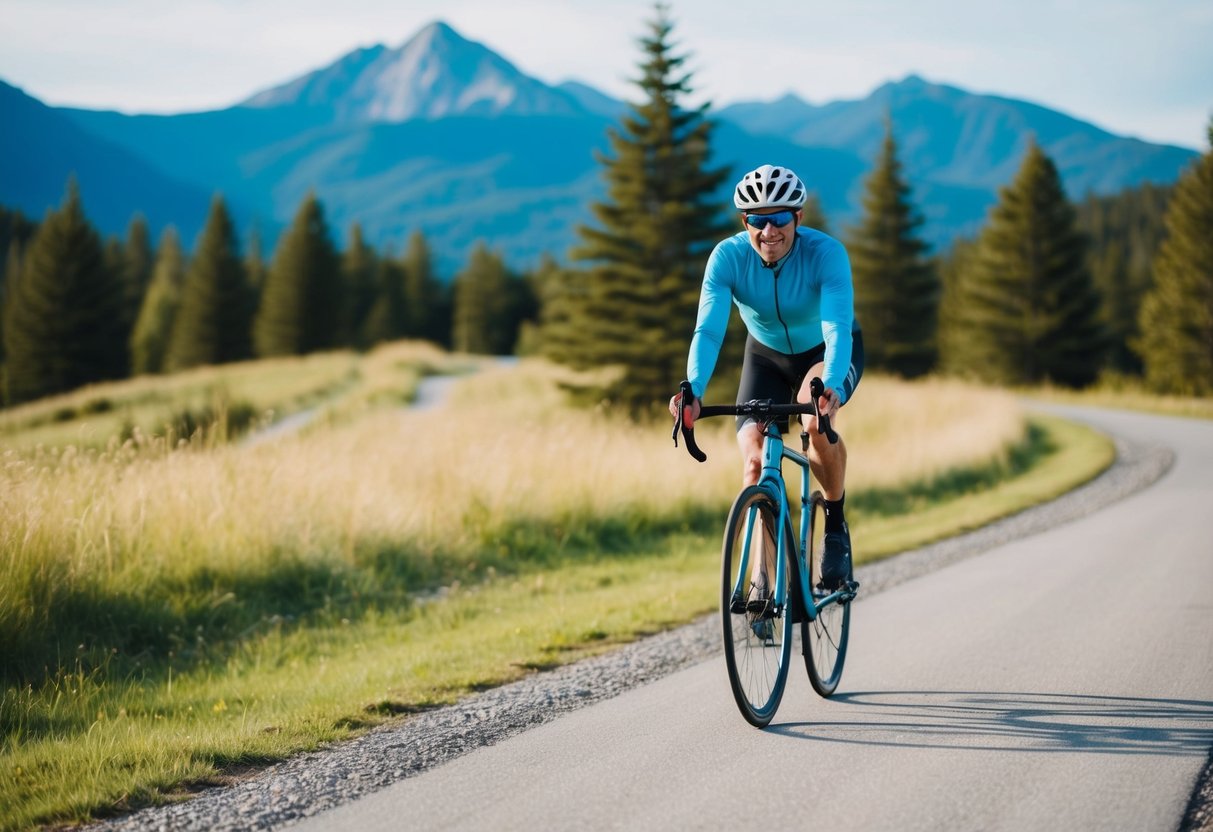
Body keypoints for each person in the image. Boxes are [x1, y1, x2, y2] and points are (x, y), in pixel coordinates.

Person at [669, 164, 864, 590]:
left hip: (826, 353)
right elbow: (708, 330)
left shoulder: (826, 254)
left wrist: (829, 385)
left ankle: (834, 525)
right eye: (758, 220)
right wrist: (693, 389)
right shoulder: (728, 258)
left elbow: (835, 327)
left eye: (779, 218)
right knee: (755, 464)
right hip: (766, 357)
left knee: (815, 423)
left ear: (798, 218)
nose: (769, 230)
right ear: (746, 222)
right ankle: (763, 577)